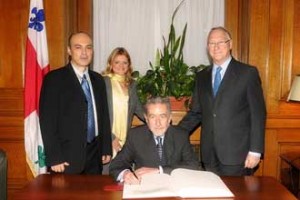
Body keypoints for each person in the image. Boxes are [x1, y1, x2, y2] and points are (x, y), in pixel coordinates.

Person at [178, 26, 266, 176]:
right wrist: (173, 133)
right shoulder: (202, 76)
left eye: (221, 42)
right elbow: (196, 112)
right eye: (212, 43)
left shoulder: (247, 73)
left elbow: (258, 114)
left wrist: (255, 151)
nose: (216, 47)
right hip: (208, 155)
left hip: (237, 155)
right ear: (207, 47)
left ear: (230, 44)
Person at [39, 32, 112, 174]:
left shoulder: (98, 80)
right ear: (69, 50)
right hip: (66, 157)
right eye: (78, 47)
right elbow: (47, 121)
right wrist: (55, 157)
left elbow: (103, 116)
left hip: (95, 155)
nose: (84, 52)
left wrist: (106, 148)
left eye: (88, 47)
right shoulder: (54, 79)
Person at [109, 97, 199, 184]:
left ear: (169, 118)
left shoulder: (180, 135)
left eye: (162, 116)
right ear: (146, 119)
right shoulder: (136, 135)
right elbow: (116, 164)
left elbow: (193, 165)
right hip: (145, 189)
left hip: (174, 188)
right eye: (152, 117)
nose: (158, 123)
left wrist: (160, 171)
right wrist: (125, 174)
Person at [101, 47, 144, 174]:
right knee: (105, 176)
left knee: (121, 177)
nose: (121, 65)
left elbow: (138, 109)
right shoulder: (103, 82)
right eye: (117, 62)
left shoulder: (132, 84)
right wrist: (110, 138)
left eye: (124, 62)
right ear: (111, 63)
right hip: (108, 138)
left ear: (129, 65)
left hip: (125, 139)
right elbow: (99, 113)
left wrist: (155, 117)